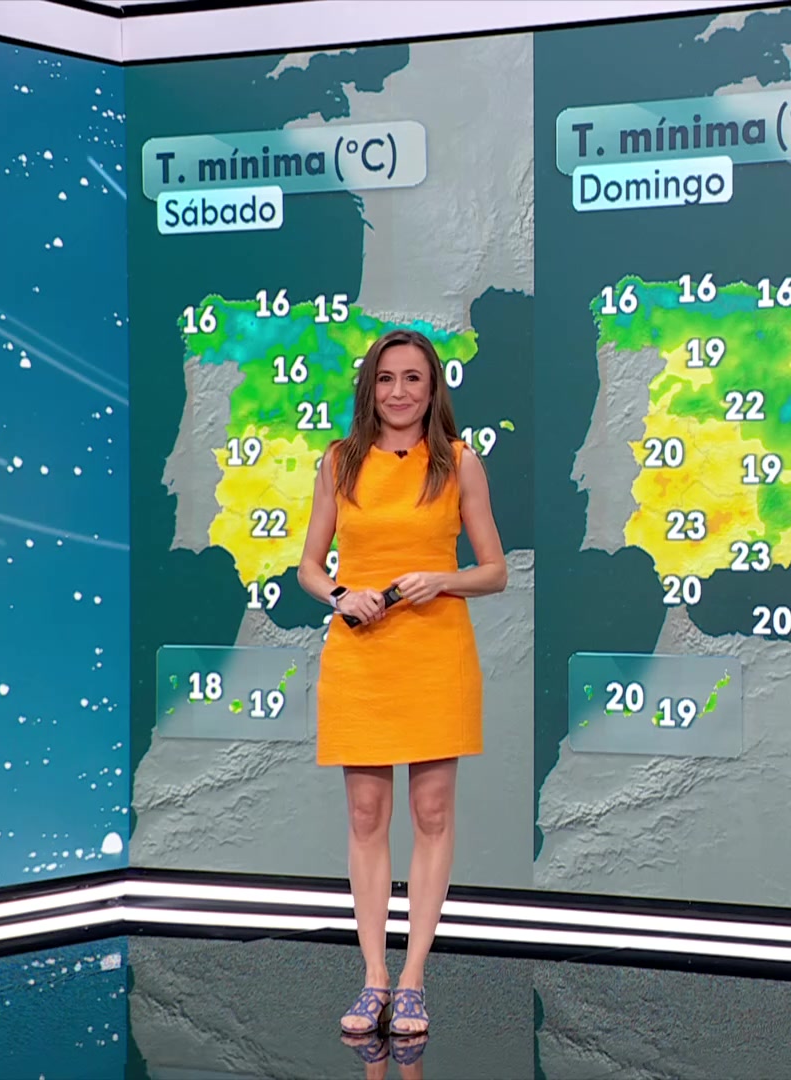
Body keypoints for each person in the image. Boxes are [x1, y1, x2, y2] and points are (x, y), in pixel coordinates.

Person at [295, 327, 507, 1039]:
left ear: (432, 387)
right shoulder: (339, 462)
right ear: (370, 387)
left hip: (434, 653)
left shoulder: (458, 464)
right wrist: (339, 595)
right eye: (386, 378)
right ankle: (373, 978)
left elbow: (495, 571)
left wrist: (441, 579)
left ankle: (413, 978)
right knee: (365, 816)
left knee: (433, 813)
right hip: (361, 657)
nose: (398, 391)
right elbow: (309, 567)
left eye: (413, 378)